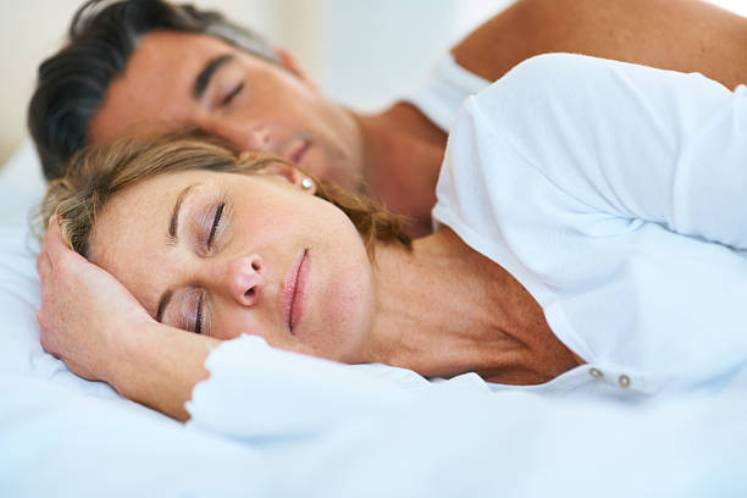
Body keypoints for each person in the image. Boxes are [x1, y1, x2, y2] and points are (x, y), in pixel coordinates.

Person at [37, 54, 747, 422]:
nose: (237, 279)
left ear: (284, 175)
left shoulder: (532, 136)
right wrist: (128, 351)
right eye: (192, 317)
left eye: (213, 224)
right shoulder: (386, 433)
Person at [28, 0, 747, 236]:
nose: (247, 141)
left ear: (290, 64)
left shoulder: (560, 36)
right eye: (185, 151)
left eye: (230, 92)